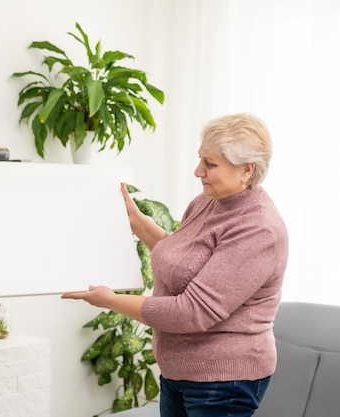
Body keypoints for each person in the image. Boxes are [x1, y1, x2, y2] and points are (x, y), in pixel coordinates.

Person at [62, 113, 289, 417]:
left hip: (223, 380)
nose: (198, 171)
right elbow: (186, 262)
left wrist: (111, 301)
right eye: (200, 159)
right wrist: (136, 221)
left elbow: (193, 311)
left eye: (210, 164)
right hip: (179, 371)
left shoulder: (257, 229)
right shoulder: (207, 202)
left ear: (246, 170)